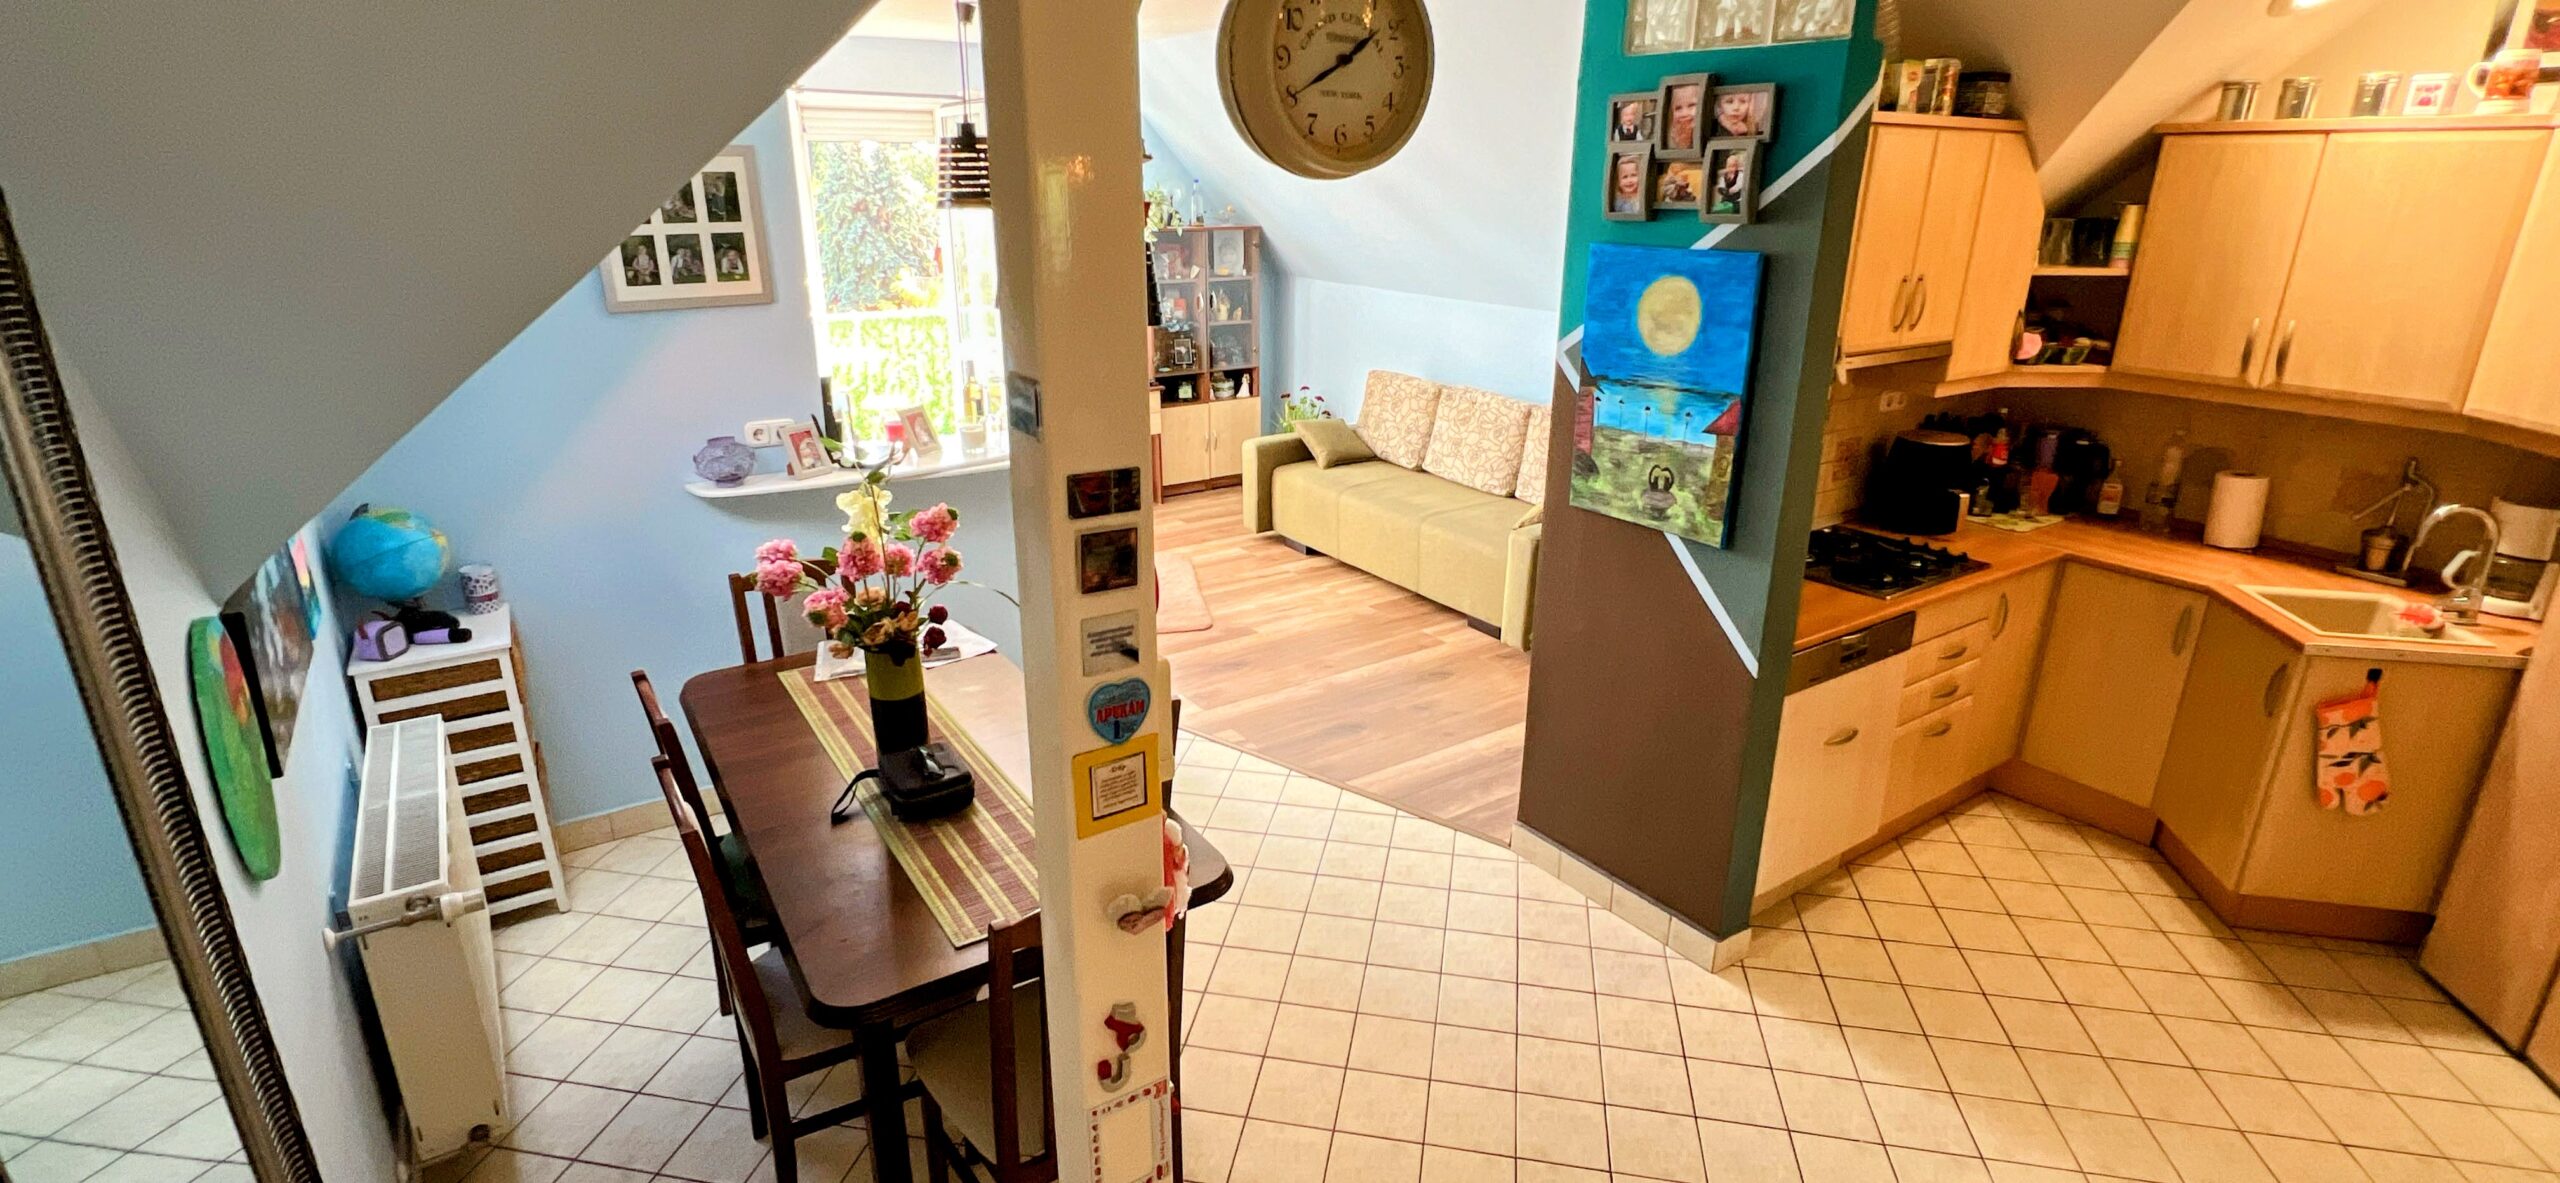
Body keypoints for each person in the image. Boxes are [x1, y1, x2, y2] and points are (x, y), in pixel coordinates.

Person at [1664, 85, 1702, 151]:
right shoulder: (1672, 136)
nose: (1684, 113)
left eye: (1691, 105)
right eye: (1678, 108)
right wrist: (1681, 145)